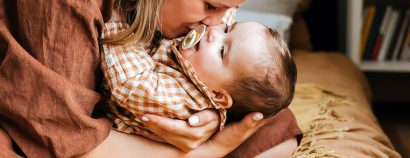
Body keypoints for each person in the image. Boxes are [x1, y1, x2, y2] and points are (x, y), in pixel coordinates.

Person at [0, 0, 302, 157]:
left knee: (267, 118)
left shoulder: (176, 14)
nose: (215, 25)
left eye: (230, 15)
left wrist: (207, 115)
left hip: (110, 123)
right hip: (50, 124)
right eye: (211, 6)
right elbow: (60, 135)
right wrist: (210, 150)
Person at [100, 21, 297, 142]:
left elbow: (132, 83)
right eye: (228, 29)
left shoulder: (185, 101)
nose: (214, 32)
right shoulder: (199, 63)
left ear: (217, 95)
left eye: (222, 51)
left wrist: (117, 28)